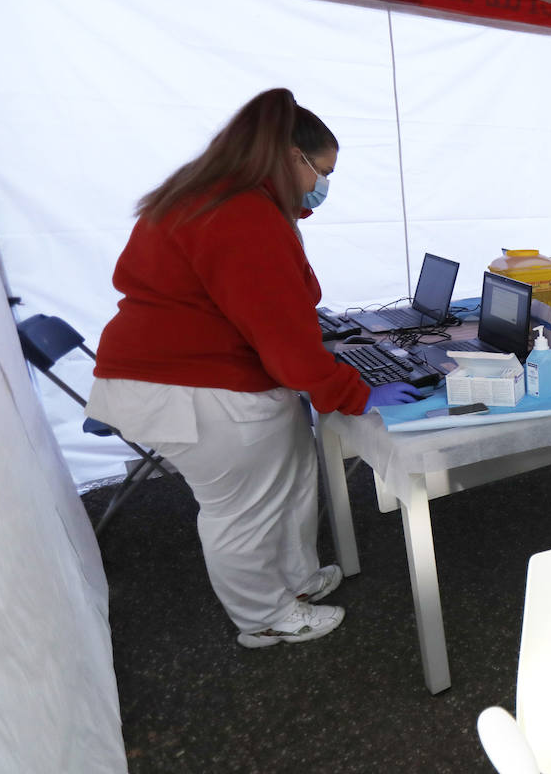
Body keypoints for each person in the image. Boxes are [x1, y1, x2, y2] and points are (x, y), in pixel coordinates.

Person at [85, 88, 421, 648]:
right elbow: (285, 340)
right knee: (243, 509)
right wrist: (355, 392)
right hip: (193, 388)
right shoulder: (240, 215)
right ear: (292, 156)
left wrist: (333, 379)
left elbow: (276, 320)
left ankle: (295, 582)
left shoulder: (221, 198)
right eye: (324, 170)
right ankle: (263, 616)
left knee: (290, 475)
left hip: (214, 376)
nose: (323, 184)